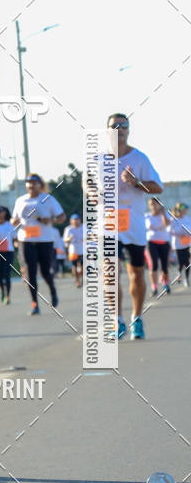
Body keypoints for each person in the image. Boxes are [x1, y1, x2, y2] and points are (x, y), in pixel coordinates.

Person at [108, 113, 163, 340]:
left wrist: (136, 182)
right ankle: (117, 321)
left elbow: (158, 187)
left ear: (128, 130)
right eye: (114, 126)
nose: (119, 129)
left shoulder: (139, 158)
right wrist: (90, 191)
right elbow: (87, 180)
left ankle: (136, 318)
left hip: (134, 225)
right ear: (108, 130)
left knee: (136, 273)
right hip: (109, 224)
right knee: (110, 273)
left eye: (123, 126)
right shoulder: (99, 158)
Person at [11, 174, 65, 314]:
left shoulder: (48, 199)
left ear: (39, 184)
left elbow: (62, 217)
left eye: (34, 183)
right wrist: (14, 222)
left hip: (44, 240)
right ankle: (35, 303)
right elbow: (14, 219)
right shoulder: (20, 200)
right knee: (30, 274)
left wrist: (50, 219)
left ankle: (52, 290)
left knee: (46, 272)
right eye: (28, 183)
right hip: (26, 240)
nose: (31, 185)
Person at [145, 197, 171, 296]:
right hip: (151, 242)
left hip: (164, 242)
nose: (153, 206)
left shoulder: (165, 215)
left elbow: (167, 224)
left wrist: (163, 213)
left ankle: (165, 283)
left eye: (155, 204)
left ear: (160, 205)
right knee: (154, 265)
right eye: (151, 204)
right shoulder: (146, 216)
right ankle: (154, 287)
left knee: (165, 266)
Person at [168, 202, 191, 288]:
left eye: (186, 209)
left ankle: (186, 279)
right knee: (181, 263)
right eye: (184, 209)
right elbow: (170, 231)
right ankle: (179, 275)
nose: (185, 211)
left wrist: (186, 232)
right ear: (180, 210)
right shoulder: (173, 219)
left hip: (186, 244)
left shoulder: (187, 218)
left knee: (187, 262)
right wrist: (180, 232)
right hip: (177, 245)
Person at [63, 213, 84, 288]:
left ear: (80, 220)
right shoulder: (68, 229)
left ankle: (82, 279)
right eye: (74, 220)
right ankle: (77, 280)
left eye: (77, 220)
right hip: (73, 250)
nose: (76, 222)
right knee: (74, 266)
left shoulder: (84, 227)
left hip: (82, 250)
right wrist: (69, 239)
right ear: (71, 221)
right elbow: (65, 239)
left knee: (82, 267)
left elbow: (90, 236)